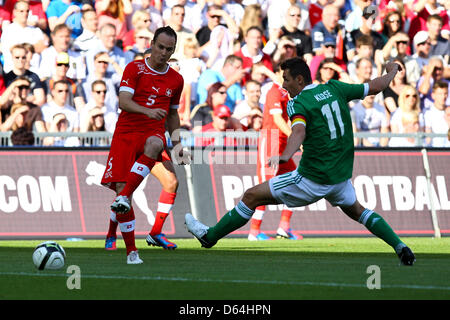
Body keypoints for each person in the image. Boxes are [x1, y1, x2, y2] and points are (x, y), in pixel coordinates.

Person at [185, 57, 416, 266]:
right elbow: (377, 86)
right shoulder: (335, 87)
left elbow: (298, 132)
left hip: (312, 179)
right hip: (340, 178)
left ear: (299, 79)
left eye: (286, 80)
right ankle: (400, 246)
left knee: (251, 196)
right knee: (359, 211)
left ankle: (209, 236)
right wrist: (392, 71)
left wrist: (286, 155)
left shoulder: (298, 102)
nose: (284, 86)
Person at [100, 26, 188, 264]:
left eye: (169, 50)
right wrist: (147, 111)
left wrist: (178, 144)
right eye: (160, 47)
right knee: (120, 191)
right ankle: (129, 249)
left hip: (152, 133)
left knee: (170, 178)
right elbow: (124, 102)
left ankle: (156, 231)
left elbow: (172, 115)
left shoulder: (176, 79)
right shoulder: (134, 68)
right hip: (127, 133)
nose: (163, 53)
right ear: (151, 44)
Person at [424, 82, 450, 147]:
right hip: (435, 151)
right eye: (440, 94)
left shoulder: (449, 111)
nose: (443, 97)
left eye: (445, 93)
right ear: (433, 95)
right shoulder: (428, 113)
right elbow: (428, 139)